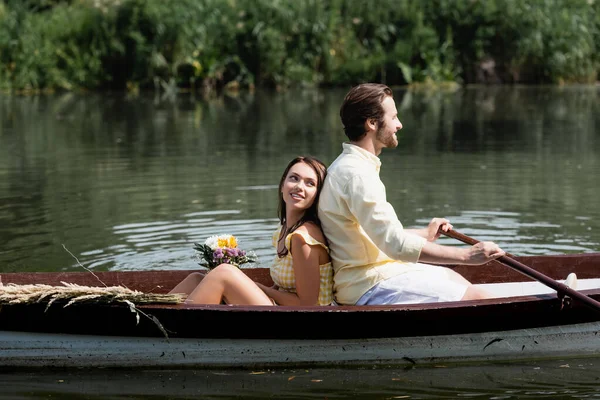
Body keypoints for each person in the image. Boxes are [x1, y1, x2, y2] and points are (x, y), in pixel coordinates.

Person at [317, 83, 507, 306]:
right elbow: (395, 244)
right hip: (367, 284)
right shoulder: (357, 174)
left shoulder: (352, 166)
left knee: (457, 280)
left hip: (376, 273)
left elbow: (373, 233)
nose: (399, 125)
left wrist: (425, 233)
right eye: (394, 117)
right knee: (480, 298)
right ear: (371, 123)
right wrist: (467, 256)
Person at [169, 156, 333, 306]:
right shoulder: (285, 229)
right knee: (196, 279)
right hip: (283, 309)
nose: (299, 186)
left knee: (223, 273)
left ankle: (173, 330)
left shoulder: (302, 238)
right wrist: (261, 290)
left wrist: (262, 289)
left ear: (317, 195)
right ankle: (150, 318)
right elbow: (285, 285)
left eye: (310, 183)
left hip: (305, 322)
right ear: (283, 185)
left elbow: (307, 305)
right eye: (294, 178)